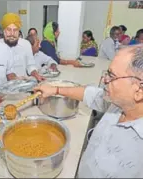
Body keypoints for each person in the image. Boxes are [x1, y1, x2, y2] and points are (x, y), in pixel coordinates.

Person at [34, 45, 143, 178]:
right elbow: (90, 94)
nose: (104, 80)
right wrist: (55, 90)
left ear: (139, 91)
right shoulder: (118, 103)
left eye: (112, 76)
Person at [0, 13, 44, 81]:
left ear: (19, 31)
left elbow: (30, 65)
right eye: (9, 30)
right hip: (2, 89)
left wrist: (36, 74)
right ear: (3, 31)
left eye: (15, 30)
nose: (12, 34)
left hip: (23, 86)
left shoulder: (25, 44)